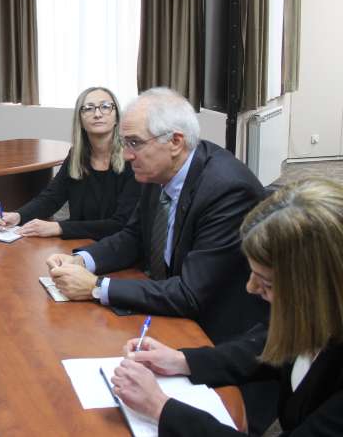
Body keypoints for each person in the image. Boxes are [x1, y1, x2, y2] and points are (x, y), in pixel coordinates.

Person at [111, 179, 343, 436]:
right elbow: (265, 347)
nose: (251, 288)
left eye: (266, 283)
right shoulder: (316, 315)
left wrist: (160, 408)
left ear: (318, 287)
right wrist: (181, 361)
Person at [44, 87, 268, 343]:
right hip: (170, 308)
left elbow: (191, 293)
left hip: (218, 333)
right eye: (125, 142)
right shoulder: (158, 170)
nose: (126, 155)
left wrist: (96, 287)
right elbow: (134, 237)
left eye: (135, 143)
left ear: (175, 142)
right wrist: (82, 261)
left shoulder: (227, 190)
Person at [0, 86, 140, 240]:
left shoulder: (132, 160)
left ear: (117, 117)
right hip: (78, 241)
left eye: (105, 107)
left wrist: (59, 227)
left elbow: (121, 224)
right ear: (80, 120)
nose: (97, 114)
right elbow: (51, 198)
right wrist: (18, 216)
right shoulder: (76, 156)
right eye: (89, 108)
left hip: (117, 246)